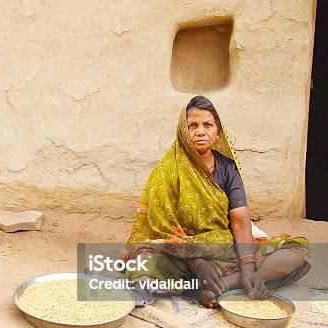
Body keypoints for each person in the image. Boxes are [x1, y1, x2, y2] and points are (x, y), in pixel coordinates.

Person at [123, 96, 310, 308]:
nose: (200, 131)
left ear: (218, 131)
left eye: (207, 125)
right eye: (192, 126)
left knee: (297, 250)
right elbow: (159, 230)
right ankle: (207, 283)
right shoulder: (167, 169)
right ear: (183, 132)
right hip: (179, 256)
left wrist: (248, 269)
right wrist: (197, 263)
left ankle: (225, 284)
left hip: (221, 248)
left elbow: (239, 220)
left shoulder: (228, 168)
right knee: (144, 265)